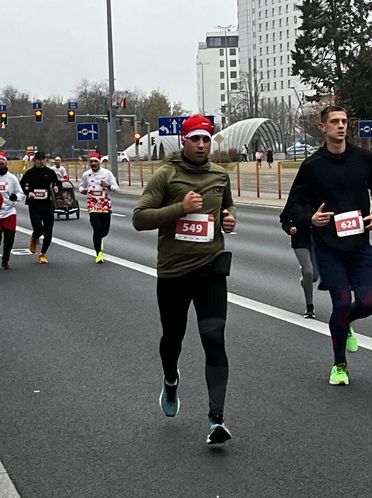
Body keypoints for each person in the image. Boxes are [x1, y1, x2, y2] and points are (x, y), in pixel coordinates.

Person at [132, 114, 237, 445]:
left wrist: (229, 221)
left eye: (206, 139)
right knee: (173, 338)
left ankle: (216, 420)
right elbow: (139, 219)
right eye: (196, 139)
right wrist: (179, 207)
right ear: (184, 141)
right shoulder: (167, 175)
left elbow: (226, 212)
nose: (202, 145)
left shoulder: (220, 176)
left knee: (214, 338)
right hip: (174, 272)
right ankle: (171, 379)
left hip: (210, 270)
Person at [280, 105, 372, 386]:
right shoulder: (312, 166)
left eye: (344, 121)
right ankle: (339, 364)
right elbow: (292, 207)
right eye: (335, 122)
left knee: (367, 303)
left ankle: (345, 323)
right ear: (323, 127)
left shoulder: (363, 158)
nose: (341, 126)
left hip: (360, 246)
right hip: (328, 248)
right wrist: (310, 218)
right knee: (340, 303)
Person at [19, 151, 61, 264]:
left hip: (47, 204)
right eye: (39, 159)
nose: (42, 161)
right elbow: (21, 185)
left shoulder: (50, 172)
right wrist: (28, 193)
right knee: (38, 228)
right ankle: (34, 237)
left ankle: (42, 253)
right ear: (35, 160)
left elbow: (57, 183)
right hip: (34, 205)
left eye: (44, 159)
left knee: (48, 229)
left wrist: (57, 187)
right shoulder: (29, 173)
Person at [79, 152, 119, 263]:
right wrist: (83, 191)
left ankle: (100, 239)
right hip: (92, 203)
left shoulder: (107, 173)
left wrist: (108, 185)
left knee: (104, 230)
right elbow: (81, 187)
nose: (93, 163)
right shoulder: (86, 174)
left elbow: (116, 188)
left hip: (105, 203)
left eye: (95, 161)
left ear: (99, 162)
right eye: (91, 162)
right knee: (96, 228)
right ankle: (99, 254)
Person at [0, 154, 24, 269]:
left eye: (3, 160)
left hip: (9, 212)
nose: (1, 161)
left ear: (6, 163)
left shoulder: (12, 178)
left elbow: (21, 194)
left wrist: (15, 197)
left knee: (9, 238)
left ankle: (5, 260)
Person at [279, 216, 319, 318]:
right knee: (308, 272)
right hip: (300, 240)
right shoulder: (295, 200)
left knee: (314, 277)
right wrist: (290, 227)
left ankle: (305, 280)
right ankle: (309, 307)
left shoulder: (321, 200)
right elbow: (284, 217)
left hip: (317, 240)